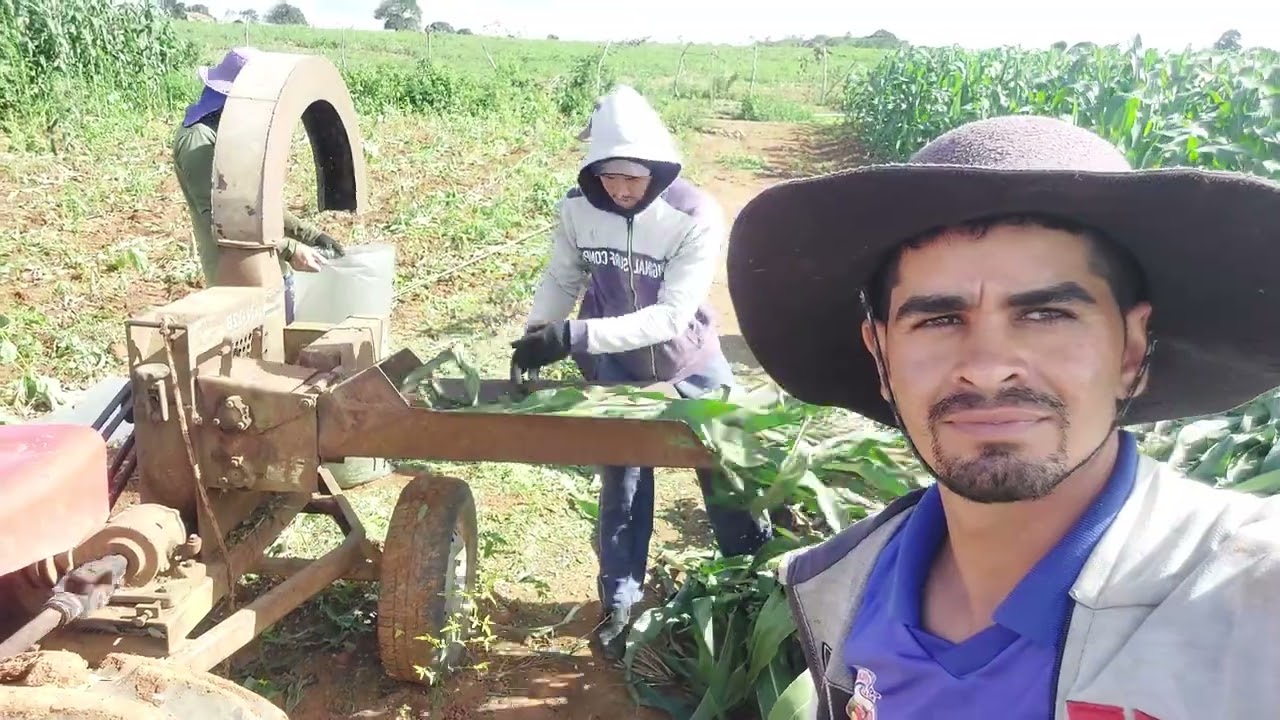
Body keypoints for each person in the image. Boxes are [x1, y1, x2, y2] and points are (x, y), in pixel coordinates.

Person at [725, 114, 1280, 719]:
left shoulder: (1249, 596)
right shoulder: (846, 587)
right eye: (939, 320)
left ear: (1131, 350)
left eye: (1046, 315)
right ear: (880, 355)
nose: (988, 369)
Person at [510, 85, 773, 659]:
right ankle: (621, 600)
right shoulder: (578, 210)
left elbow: (670, 317)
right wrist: (539, 330)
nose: (620, 189)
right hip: (617, 367)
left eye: (631, 177)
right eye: (607, 177)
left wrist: (574, 336)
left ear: (657, 167)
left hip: (689, 361)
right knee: (623, 481)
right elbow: (563, 276)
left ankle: (753, 584)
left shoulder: (693, 214)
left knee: (725, 470)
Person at [173, 47, 346, 323]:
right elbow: (219, 220)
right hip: (236, 279)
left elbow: (254, 205)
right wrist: (290, 249)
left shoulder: (231, 133)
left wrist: (311, 236)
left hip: (271, 267)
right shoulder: (199, 140)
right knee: (256, 345)